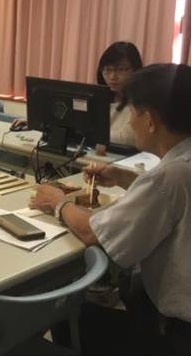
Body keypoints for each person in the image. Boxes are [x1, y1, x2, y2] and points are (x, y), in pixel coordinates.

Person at [29, 63, 190, 355]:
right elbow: (170, 197)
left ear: (150, 120)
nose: (130, 122)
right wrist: (124, 177)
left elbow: (94, 234)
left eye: (132, 113)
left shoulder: (169, 177)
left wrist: (57, 202)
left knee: (65, 318)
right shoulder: (180, 166)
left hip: (175, 336)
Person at [10, 41, 143, 147]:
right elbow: (74, 122)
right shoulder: (97, 98)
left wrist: (80, 134)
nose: (113, 76)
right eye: (107, 70)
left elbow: (127, 138)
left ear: (136, 70)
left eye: (121, 69)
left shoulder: (140, 103)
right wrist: (39, 124)